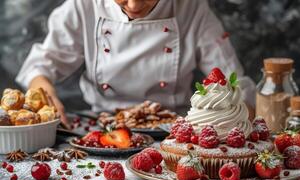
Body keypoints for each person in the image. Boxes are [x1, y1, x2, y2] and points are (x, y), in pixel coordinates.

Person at [16, 0, 256, 128]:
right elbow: (42, 63)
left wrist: (244, 112)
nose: (133, 5)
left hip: (174, 131)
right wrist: (43, 92)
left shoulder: (192, 7)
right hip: (101, 126)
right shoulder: (83, 5)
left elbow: (231, 79)